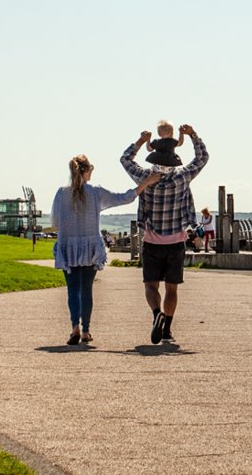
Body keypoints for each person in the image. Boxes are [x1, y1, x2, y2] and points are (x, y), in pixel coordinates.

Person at [50, 155, 160, 346]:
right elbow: (123, 198)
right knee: (86, 289)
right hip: (90, 246)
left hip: (68, 246)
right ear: (86, 170)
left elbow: (56, 223)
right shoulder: (95, 192)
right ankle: (85, 332)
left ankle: (74, 327)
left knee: (72, 289)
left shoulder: (61, 193)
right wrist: (146, 183)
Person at [121, 124, 209, 344]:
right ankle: (167, 329)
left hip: (151, 241)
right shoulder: (182, 177)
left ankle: (156, 314)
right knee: (172, 289)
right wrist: (192, 136)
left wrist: (141, 142)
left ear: (154, 157)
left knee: (151, 285)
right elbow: (202, 157)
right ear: (174, 158)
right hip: (176, 242)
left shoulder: (145, 177)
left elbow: (125, 159)